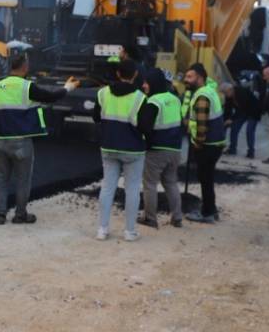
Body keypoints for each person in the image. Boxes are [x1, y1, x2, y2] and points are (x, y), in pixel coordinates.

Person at [0, 54, 79, 225]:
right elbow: (51, 97)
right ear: (25, 67)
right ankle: (20, 215)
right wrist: (68, 88)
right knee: (23, 179)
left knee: (1, 178)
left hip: (0, 140)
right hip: (21, 141)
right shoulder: (27, 87)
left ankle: (0, 214)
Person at [91, 59, 152, 241]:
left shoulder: (102, 94)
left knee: (108, 187)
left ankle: (102, 229)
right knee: (132, 189)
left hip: (109, 146)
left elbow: (96, 118)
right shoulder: (140, 98)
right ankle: (129, 231)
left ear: (118, 73)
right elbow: (145, 128)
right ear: (134, 75)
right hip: (133, 150)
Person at [138, 70, 184, 229]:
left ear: (154, 82)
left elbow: (145, 127)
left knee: (149, 184)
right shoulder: (175, 99)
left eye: (146, 82)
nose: (143, 85)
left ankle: (150, 218)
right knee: (171, 182)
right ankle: (177, 218)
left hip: (157, 150)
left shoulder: (153, 102)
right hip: (175, 149)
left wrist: (146, 144)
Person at [183, 63, 227, 223]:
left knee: (205, 179)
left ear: (200, 78)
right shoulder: (208, 91)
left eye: (190, 77)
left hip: (207, 145)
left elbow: (202, 124)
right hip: (215, 143)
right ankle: (211, 209)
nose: (186, 80)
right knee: (207, 178)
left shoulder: (202, 96)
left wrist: (198, 143)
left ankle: (207, 213)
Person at [226, 76, 263, 158]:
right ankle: (232, 149)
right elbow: (228, 108)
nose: (226, 95)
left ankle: (251, 152)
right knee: (234, 128)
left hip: (253, 111)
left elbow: (241, 108)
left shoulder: (241, 92)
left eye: (226, 93)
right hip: (244, 111)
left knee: (249, 131)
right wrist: (228, 118)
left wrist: (232, 119)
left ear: (230, 90)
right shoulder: (229, 96)